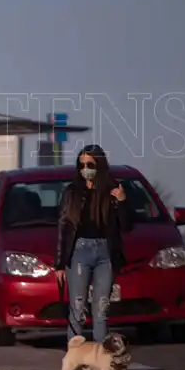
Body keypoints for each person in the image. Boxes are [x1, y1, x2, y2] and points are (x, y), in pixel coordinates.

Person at [54, 144, 133, 347]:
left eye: (90, 164)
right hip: (79, 252)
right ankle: (76, 358)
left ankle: (100, 357)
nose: (85, 169)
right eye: (82, 165)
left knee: (101, 309)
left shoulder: (112, 190)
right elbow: (64, 226)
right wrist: (60, 263)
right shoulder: (72, 192)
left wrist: (122, 201)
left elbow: (127, 226)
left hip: (105, 252)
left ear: (100, 165)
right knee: (78, 308)